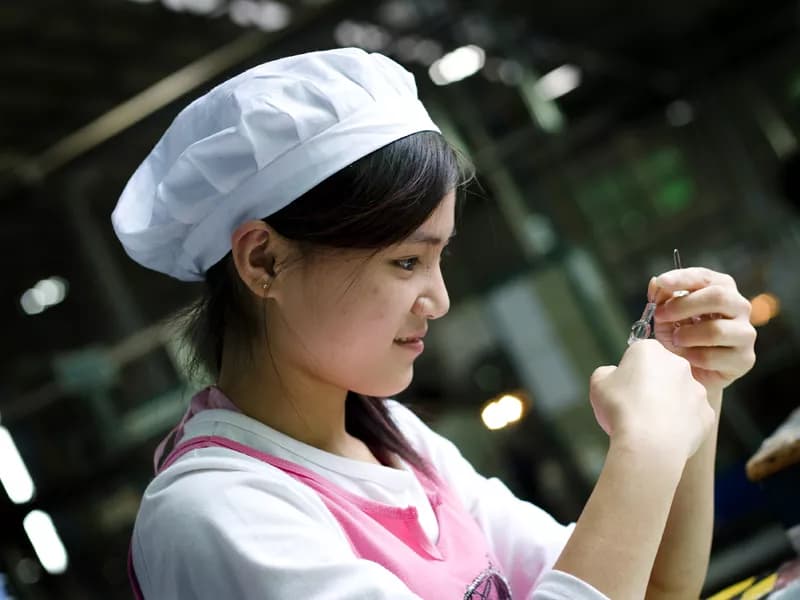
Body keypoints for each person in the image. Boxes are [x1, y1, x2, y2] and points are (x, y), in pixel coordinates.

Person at [112, 48, 757, 599]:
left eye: (438, 258)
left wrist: (693, 390)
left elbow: (651, 588)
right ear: (264, 260)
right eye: (406, 261)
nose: (439, 300)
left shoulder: (398, 442)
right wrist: (643, 447)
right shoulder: (215, 513)